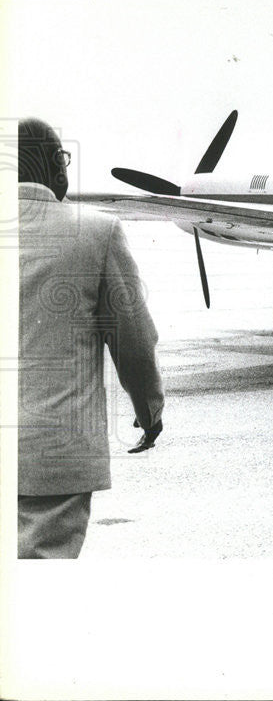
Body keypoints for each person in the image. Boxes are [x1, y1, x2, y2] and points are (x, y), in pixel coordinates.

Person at [17, 118, 164, 558]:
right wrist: (149, 410)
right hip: (51, 453)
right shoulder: (97, 232)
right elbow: (133, 342)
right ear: (55, 166)